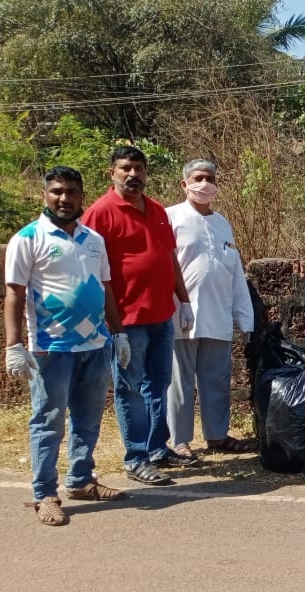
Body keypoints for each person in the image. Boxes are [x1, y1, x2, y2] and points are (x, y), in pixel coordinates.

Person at [4, 166, 129, 525]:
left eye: (72, 191)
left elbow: (106, 288)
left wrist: (118, 333)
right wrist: (14, 345)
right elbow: (14, 294)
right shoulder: (28, 238)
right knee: (48, 421)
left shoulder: (93, 239)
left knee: (88, 420)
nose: (64, 198)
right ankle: (44, 493)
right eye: (57, 191)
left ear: (81, 196)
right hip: (51, 348)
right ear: (45, 194)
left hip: (95, 345)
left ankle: (81, 480)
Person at [82, 146, 197, 486]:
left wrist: (184, 300)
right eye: (125, 168)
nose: (133, 175)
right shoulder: (100, 213)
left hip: (161, 315)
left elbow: (169, 256)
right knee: (129, 388)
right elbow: (90, 271)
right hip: (125, 321)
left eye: (139, 168)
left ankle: (157, 448)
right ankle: (136, 458)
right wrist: (109, 323)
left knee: (158, 384)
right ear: (112, 173)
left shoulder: (158, 210)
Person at [165, 160, 255, 459]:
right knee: (180, 382)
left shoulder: (223, 223)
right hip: (182, 314)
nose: (204, 184)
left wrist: (244, 317)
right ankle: (178, 440)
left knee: (216, 380)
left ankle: (216, 435)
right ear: (184, 184)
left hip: (218, 314)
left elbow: (235, 272)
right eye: (198, 178)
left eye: (210, 178)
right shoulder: (171, 218)